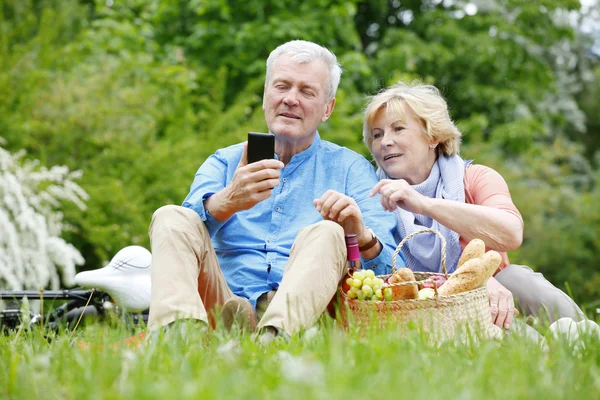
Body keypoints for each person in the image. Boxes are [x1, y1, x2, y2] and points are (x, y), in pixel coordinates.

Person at [147, 40, 401, 341]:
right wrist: (226, 202)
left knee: (329, 232)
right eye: (281, 86)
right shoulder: (224, 161)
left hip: (308, 312)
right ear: (266, 96)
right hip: (224, 304)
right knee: (171, 216)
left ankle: (275, 340)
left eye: (307, 91)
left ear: (327, 109)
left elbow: (391, 269)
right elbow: (178, 239)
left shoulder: (350, 168)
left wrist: (360, 235)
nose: (290, 99)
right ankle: (178, 341)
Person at [363, 81, 585, 332]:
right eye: (377, 134)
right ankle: (544, 350)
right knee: (488, 318)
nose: (385, 142)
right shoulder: (370, 194)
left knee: (516, 278)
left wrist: (424, 205)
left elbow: (511, 233)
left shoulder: (475, 178)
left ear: (433, 136)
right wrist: (476, 285)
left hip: (500, 297)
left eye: (398, 129)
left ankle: (587, 342)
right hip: (423, 315)